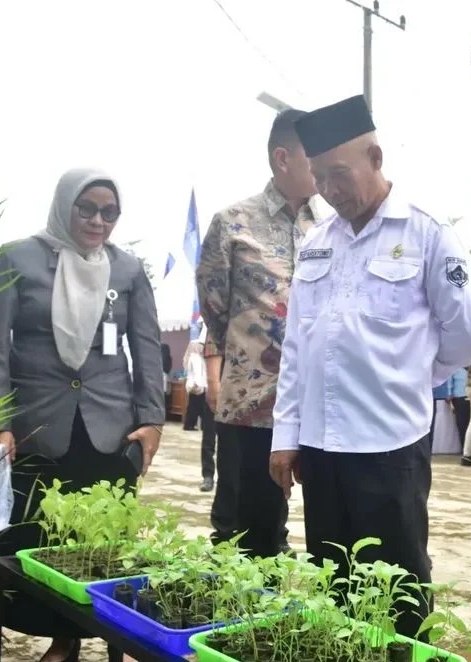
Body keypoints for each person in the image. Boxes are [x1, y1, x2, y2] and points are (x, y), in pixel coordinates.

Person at [268, 94, 471, 639]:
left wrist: (408, 376)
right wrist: (285, 434)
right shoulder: (318, 244)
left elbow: (465, 336)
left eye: (339, 173)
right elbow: (297, 345)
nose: (330, 189)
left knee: (399, 587)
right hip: (321, 446)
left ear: (376, 157)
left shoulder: (427, 233)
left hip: (390, 444)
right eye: (319, 176)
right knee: (335, 582)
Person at [0, 168, 165, 662]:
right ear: (65, 206)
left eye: (109, 212)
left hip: (109, 429)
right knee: (38, 538)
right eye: (87, 209)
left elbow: (146, 348)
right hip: (37, 427)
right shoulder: (18, 258)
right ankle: (51, 638)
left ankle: (80, 642)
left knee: (98, 543)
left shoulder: (127, 270)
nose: (98, 221)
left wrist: (152, 420)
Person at [195, 109, 317, 555]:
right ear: (282, 158)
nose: (323, 164)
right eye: (313, 154)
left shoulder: (329, 227)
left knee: (330, 528)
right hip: (252, 404)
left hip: (317, 403)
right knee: (245, 533)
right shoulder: (232, 223)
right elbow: (214, 306)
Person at [184, 332, 217, 492]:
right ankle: (208, 476)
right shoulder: (197, 356)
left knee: (229, 442)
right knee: (208, 438)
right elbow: (192, 373)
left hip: (230, 394)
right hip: (207, 394)